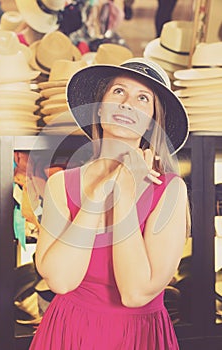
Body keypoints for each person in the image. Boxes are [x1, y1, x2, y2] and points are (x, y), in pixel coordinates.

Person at [29, 57, 190, 349]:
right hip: (68, 333)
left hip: (137, 338)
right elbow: (61, 281)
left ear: (153, 121)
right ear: (100, 106)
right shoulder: (60, 186)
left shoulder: (170, 191)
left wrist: (124, 196)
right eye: (119, 91)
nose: (128, 103)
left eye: (143, 98)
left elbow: (135, 293)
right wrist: (101, 191)